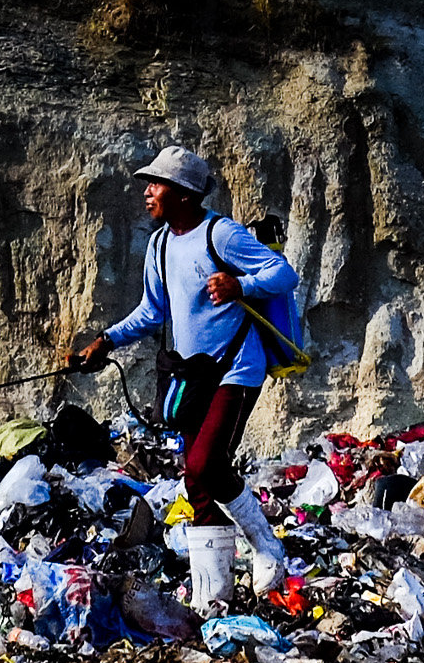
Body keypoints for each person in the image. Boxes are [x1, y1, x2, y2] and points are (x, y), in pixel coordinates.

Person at [71, 145, 301, 587]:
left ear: (183, 193)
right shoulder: (158, 245)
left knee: (204, 466)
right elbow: (152, 311)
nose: (148, 193)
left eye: (156, 184)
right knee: (196, 483)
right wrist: (106, 341)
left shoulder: (223, 235)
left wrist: (242, 285)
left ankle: (266, 545)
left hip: (236, 367)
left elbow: (283, 273)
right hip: (192, 375)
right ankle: (213, 593)